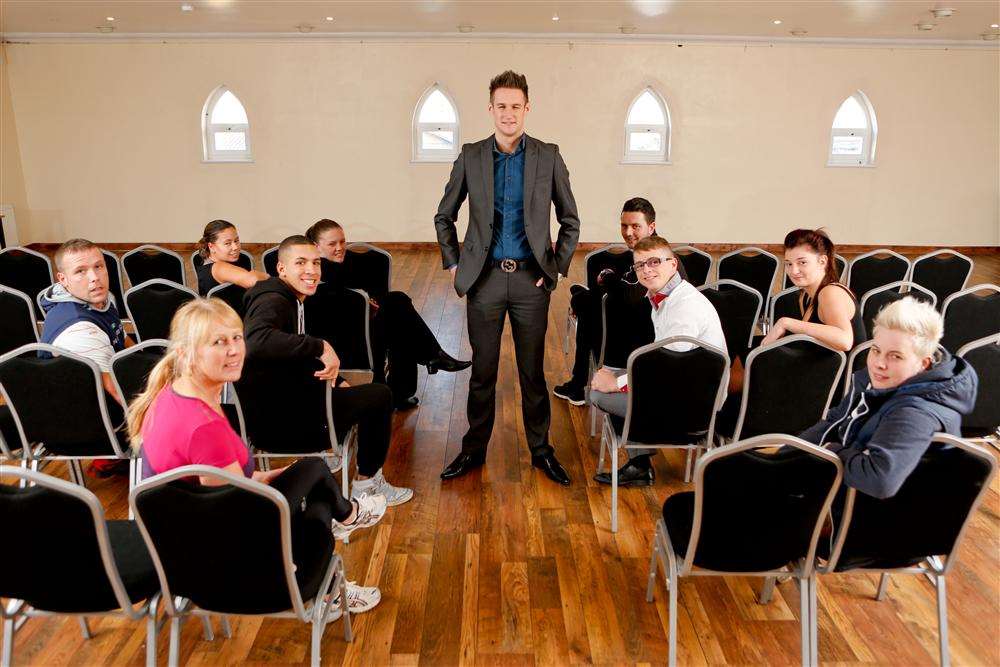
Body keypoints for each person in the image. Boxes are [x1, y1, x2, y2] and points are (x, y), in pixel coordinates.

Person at [128, 297, 384, 612]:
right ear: (186, 353)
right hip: (225, 569)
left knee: (312, 475)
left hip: (184, 548)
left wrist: (262, 477)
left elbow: (212, 489)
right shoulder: (203, 427)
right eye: (219, 342)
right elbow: (243, 517)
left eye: (237, 337)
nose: (235, 349)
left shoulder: (170, 395)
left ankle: (347, 517)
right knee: (316, 505)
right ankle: (330, 589)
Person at [434, 70, 580, 485]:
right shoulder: (471, 155)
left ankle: (542, 451)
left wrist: (554, 270)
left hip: (532, 283)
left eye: (516, 105)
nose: (509, 113)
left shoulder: (548, 156)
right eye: (502, 106)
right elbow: (444, 215)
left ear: (527, 108)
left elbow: (570, 220)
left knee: (532, 372)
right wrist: (453, 264)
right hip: (484, 281)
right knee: (483, 371)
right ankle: (473, 450)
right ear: (491, 109)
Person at [237, 235, 413, 506]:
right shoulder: (274, 300)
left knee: (362, 393)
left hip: (270, 419)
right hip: (291, 424)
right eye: (301, 263)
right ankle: (367, 485)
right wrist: (319, 345)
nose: (311, 270)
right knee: (380, 396)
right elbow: (257, 340)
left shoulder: (287, 298)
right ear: (281, 269)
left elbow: (288, 354)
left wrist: (337, 379)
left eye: (316, 263)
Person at [799, 297, 977, 498]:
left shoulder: (916, 413)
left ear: (924, 364)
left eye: (896, 356)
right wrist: (790, 454)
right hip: (835, 485)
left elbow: (879, 480)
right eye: (876, 350)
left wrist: (833, 451)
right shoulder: (877, 377)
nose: (879, 363)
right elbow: (834, 421)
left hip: (861, 513)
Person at [589, 236, 727, 486]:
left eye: (654, 262)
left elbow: (668, 372)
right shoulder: (666, 296)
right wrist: (618, 377)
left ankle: (640, 463)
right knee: (616, 375)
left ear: (673, 264)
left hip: (693, 406)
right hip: (683, 387)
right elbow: (666, 368)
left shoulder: (684, 308)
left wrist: (615, 383)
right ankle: (640, 464)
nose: (646, 270)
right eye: (640, 265)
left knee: (599, 394)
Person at [305, 218, 470, 410]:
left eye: (342, 241)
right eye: (332, 243)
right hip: (337, 336)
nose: (340, 247)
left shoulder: (350, 263)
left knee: (398, 318)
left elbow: (374, 293)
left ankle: (427, 361)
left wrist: (370, 303)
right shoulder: (313, 270)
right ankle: (429, 359)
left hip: (364, 327)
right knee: (398, 310)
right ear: (316, 246)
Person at [553, 197, 686, 405]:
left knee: (589, 306)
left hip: (643, 342)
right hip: (636, 328)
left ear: (651, 227)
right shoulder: (643, 253)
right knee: (591, 303)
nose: (628, 232)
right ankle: (578, 382)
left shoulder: (657, 258)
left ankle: (579, 384)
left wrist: (607, 278)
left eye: (635, 226)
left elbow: (630, 296)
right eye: (624, 226)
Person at [38, 238, 134, 476]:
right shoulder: (80, 328)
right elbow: (116, 392)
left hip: (90, 406)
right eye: (80, 271)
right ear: (63, 280)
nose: (94, 277)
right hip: (89, 425)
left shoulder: (97, 299)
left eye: (98, 266)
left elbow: (121, 339)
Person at [761, 228, 866, 352]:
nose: (793, 271)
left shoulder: (830, 293)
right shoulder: (805, 296)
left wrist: (785, 322)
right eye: (789, 264)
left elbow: (845, 341)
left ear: (822, 261)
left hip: (845, 371)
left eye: (802, 262)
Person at [195, 219, 269, 296]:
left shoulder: (238, 258)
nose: (235, 247)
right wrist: (272, 278)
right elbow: (253, 280)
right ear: (211, 246)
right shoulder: (218, 268)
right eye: (227, 243)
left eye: (236, 240)